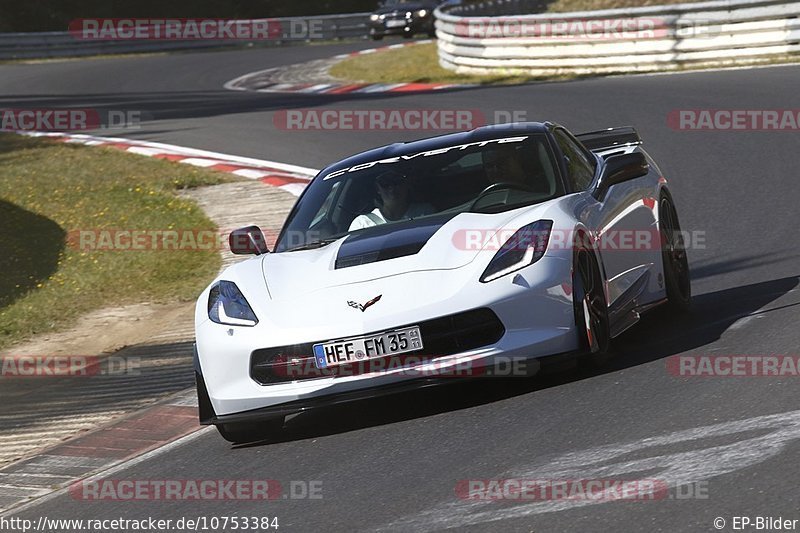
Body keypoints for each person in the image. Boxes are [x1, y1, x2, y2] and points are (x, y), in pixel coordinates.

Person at [349, 170, 434, 231]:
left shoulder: (425, 213)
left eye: (397, 182)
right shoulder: (362, 223)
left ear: (406, 185)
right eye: (385, 183)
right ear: (377, 189)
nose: (392, 189)